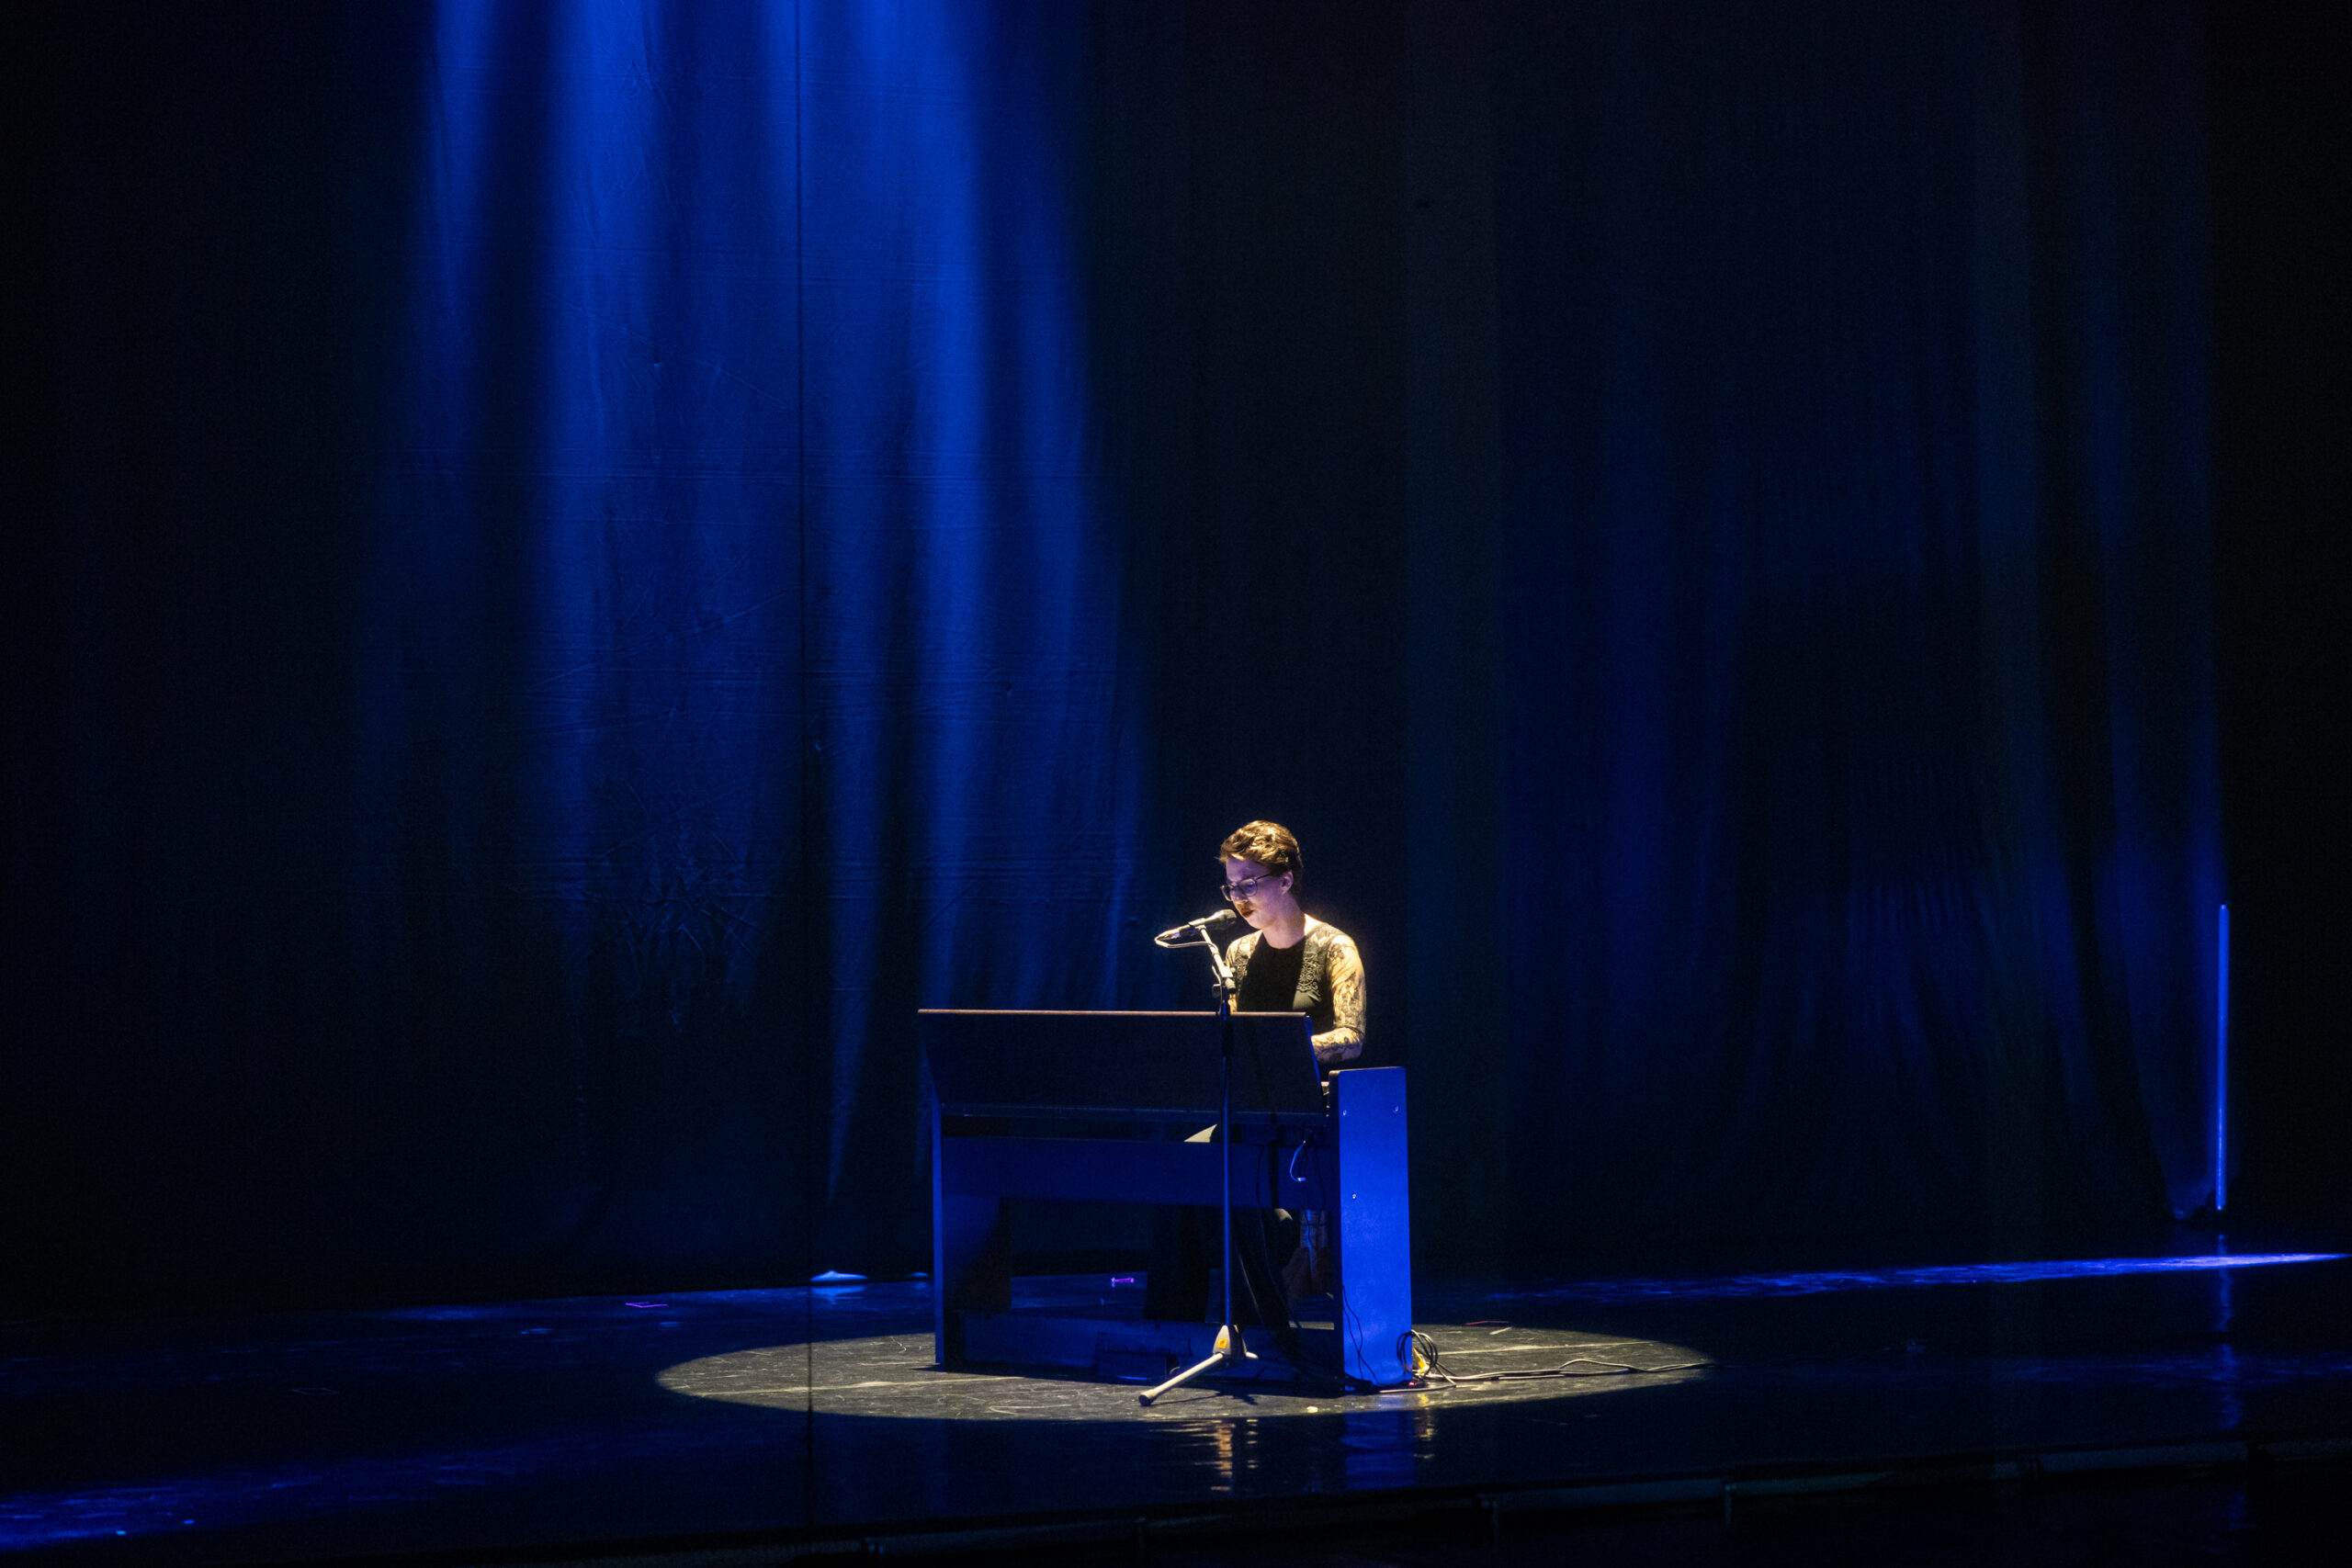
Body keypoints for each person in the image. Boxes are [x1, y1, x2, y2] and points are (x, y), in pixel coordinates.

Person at [1145, 820, 1365, 1325]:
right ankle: (1171, 1324)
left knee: (1239, 1173)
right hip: (1252, 1108)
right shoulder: (1239, 952)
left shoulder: (1335, 947)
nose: (1239, 898)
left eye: (1249, 884)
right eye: (1231, 886)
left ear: (1285, 880)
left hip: (1310, 1111)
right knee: (1181, 1165)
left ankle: (1260, 1318)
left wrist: (1282, 1049)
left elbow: (1351, 1038)